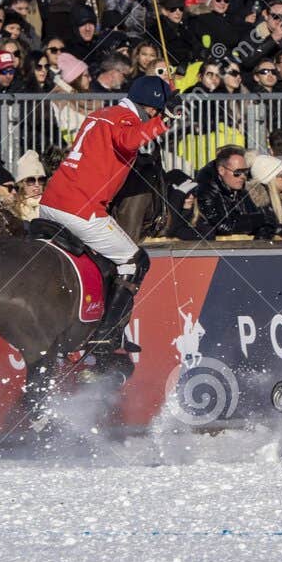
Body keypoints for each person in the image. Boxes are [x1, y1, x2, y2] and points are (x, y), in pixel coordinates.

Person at [36, 74, 174, 354]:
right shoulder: (126, 118)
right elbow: (128, 141)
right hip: (80, 209)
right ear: (151, 108)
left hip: (50, 203)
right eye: (156, 112)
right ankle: (107, 334)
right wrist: (166, 121)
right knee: (135, 260)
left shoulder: (101, 115)